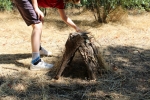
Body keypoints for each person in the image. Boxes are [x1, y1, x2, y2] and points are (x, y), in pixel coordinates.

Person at [13, 0, 81, 71]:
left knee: (40, 22)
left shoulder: (60, 2)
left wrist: (77, 28)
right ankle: (35, 62)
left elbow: (64, 17)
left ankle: (38, 49)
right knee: (37, 26)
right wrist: (36, 8)